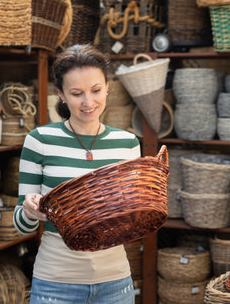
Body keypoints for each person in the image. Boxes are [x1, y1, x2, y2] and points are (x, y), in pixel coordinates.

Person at [13, 44, 141, 304]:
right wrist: (29, 211)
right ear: (60, 94)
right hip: (55, 284)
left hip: (115, 283)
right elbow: (20, 225)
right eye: (76, 93)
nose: (88, 102)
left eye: (96, 90)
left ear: (108, 87)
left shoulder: (127, 143)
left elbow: (132, 220)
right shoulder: (39, 141)